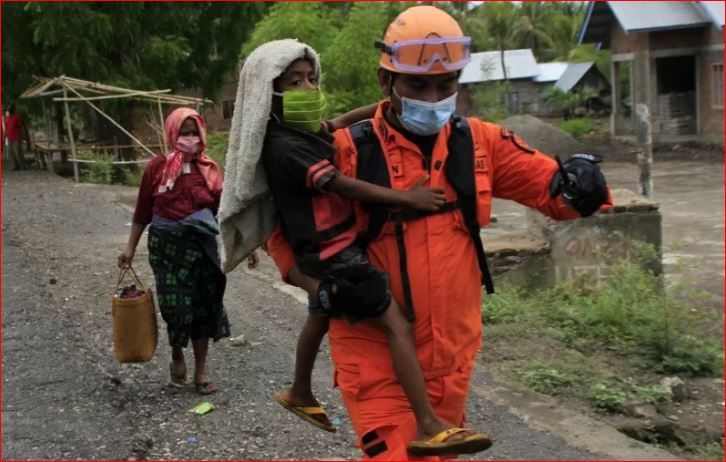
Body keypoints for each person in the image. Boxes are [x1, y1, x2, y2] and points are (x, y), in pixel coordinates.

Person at [266, 5, 612, 460]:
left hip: (451, 355)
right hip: (372, 348)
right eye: (417, 84)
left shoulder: (480, 143)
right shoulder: (346, 151)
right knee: (397, 453)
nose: (432, 97)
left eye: (445, 84)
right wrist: (319, 287)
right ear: (386, 81)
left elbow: (554, 193)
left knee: (438, 455)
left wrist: (581, 187)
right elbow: (283, 231)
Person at [223, 39, 492, 457]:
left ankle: (298, 390)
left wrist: (385, 107)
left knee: (321, 312)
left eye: (311, 78)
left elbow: (340, 121)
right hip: (336, 253)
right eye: (294, 82)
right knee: (396, 324)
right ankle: (427, 423)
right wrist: (407, 198)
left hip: (320, 253)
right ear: (267, 93)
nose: (308, 88)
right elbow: (341, 184)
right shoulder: (286, 148)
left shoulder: (302, 132)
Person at [118, 107, 232, 395]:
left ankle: (201, 370)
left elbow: (223, 211)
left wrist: (239, 244)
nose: (190, 138)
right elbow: (143, 210)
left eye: (194, 132)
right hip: (166, 248)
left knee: (204, 308)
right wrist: (129, 247)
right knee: (176, 308)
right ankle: (177, 354)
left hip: (202, 247)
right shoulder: (156, 168)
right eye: (184, 132)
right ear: (172, 133)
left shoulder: (210, 169)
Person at [4, 105, 30, 171]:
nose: (8, 109)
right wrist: (5, 136)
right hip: (10, 138)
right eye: (7, 108)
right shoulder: (7, 117)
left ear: (13, 109)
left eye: (9, 108)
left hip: (17, 138)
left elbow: (21, 127)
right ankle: (16, 166)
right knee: (12, 153)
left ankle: (23, 167)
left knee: (18, 152)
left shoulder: (17, 117)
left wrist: (22, 137)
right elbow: (6, 128)